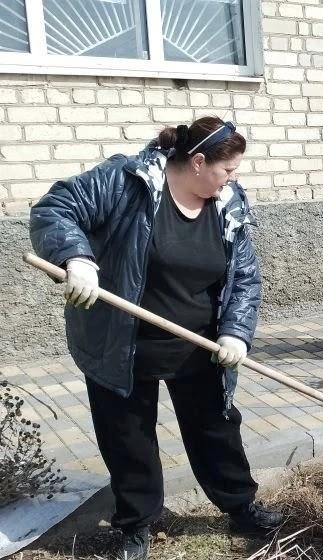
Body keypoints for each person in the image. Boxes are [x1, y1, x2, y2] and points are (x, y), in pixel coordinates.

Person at [30, 117, 282, 560]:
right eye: (228, 170)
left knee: (217, 430)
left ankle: (240, 506)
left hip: (200, 344)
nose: (234, 179)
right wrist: (77, 257)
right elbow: (55, 208)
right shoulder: (126, 181)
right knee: (128, 438)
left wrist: (236, 332)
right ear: (199, 162)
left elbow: (244, 275)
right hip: (121, 343)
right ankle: (137, 525)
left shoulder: (229, 202)